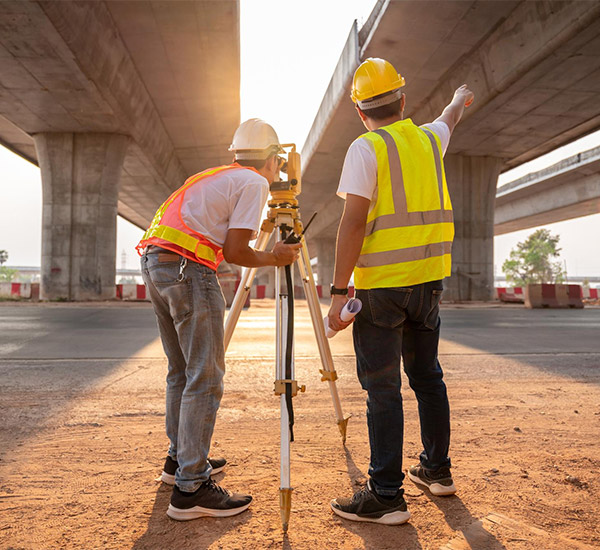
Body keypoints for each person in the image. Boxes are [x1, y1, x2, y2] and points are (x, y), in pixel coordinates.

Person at [327, 58, 474, 525]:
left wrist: (336, 292)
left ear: (359, 110)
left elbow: (352, 223)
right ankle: (436, 471)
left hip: (381, 291)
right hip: (428, 285)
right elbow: (449, 118)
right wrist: (456, 99)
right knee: (427, 377)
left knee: (383, 388)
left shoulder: (366, 147)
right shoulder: (429, 138)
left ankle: (386, 495)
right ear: (403, 100)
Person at [137, 118, 302, 521]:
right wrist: (275, 257)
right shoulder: (254, 182)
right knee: (205, 377)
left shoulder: (216, 176)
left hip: (156, 265)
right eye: (278, 162)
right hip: (188, 271)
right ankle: (191, 489)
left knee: (182, 373)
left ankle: (180, 461)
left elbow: (229, 231)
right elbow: (236, 251)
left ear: (235, 153)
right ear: (273, 159)